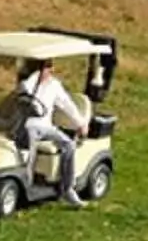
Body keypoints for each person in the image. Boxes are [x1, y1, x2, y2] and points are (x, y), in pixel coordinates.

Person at [10, 58, 91, 208]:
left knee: (68, 145)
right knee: (29, 148)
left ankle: (67, 189)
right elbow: (24, 95)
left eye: (51, 67)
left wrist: (80, 123)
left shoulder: (54, 85)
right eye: (48, 67)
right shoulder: (26, 85)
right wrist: (35, 77)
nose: (52, 71)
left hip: (46, 127)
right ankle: (25, 187)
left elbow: (67, 104)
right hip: (28, 126)